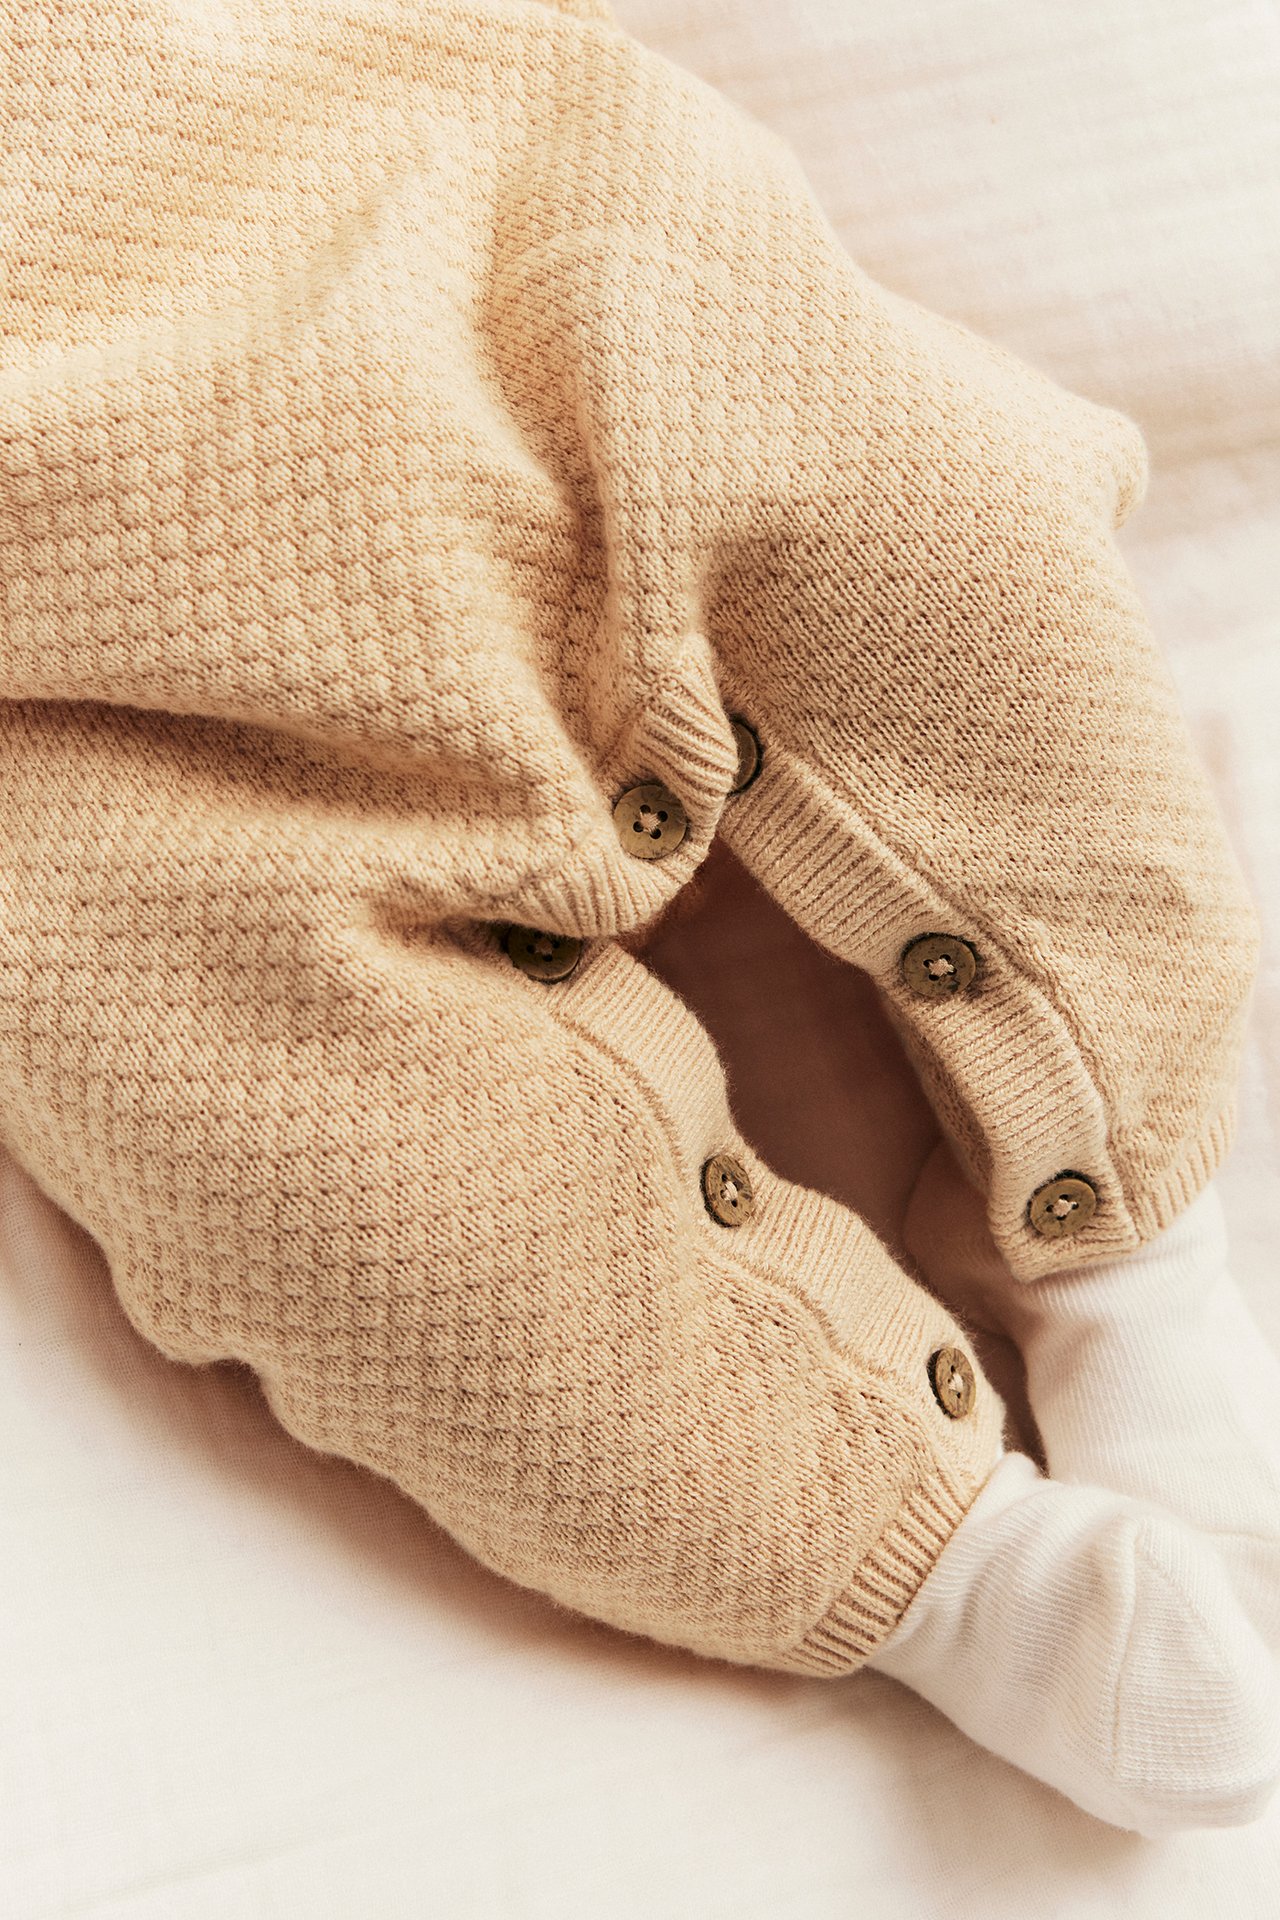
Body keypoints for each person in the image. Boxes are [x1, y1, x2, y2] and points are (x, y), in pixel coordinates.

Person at [1, 0, 1276, 1834]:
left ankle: (1123, 1249)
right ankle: (936, 1560)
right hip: (98, 679)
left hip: (511, 231)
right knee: (287, 1152)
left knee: (952, 537)